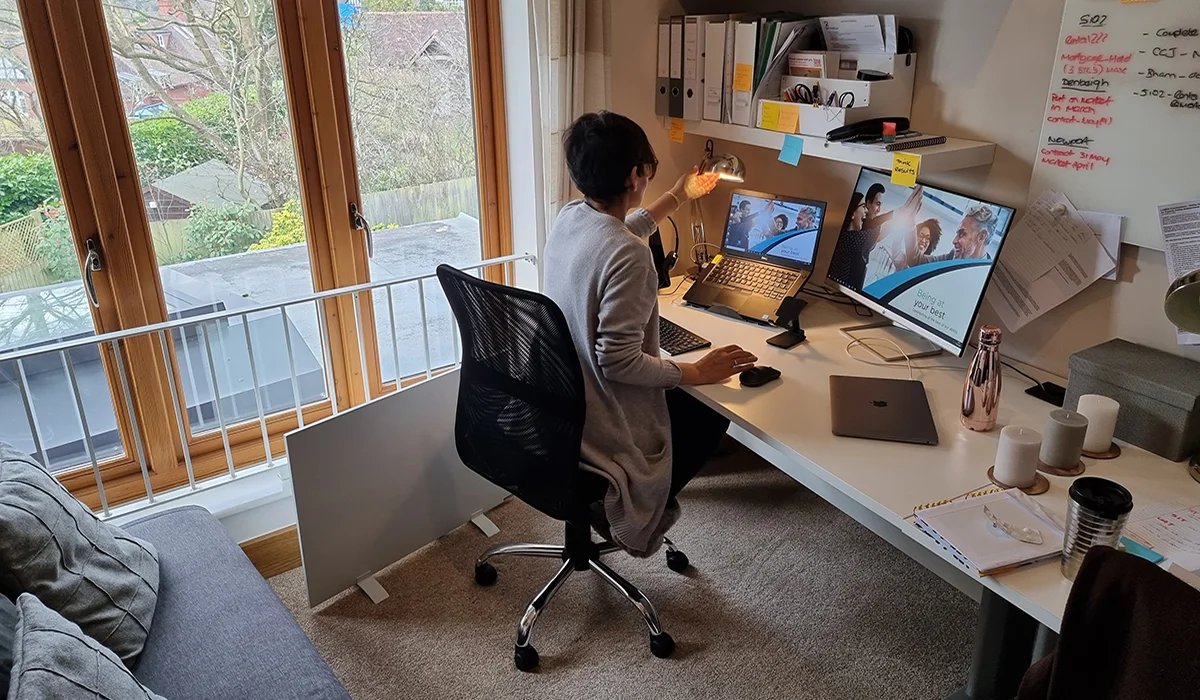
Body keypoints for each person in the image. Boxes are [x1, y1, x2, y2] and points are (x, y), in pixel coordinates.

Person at [542, 112, 757, 557]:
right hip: (604, 418)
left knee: (692, 390)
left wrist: (678, 196)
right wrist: (696, 371)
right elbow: (618, 360)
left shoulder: (570, 217)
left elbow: (617, 234)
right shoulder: (632, 259)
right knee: (715, 408)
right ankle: (626, 504)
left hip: (565, 406)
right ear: (637, 174)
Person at [905, 205, 997, 267]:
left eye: (962, 234)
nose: (954, 241)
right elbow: (916, 260)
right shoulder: (952, 256)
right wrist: (910, 223)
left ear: (981, 237)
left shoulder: (988, 273)